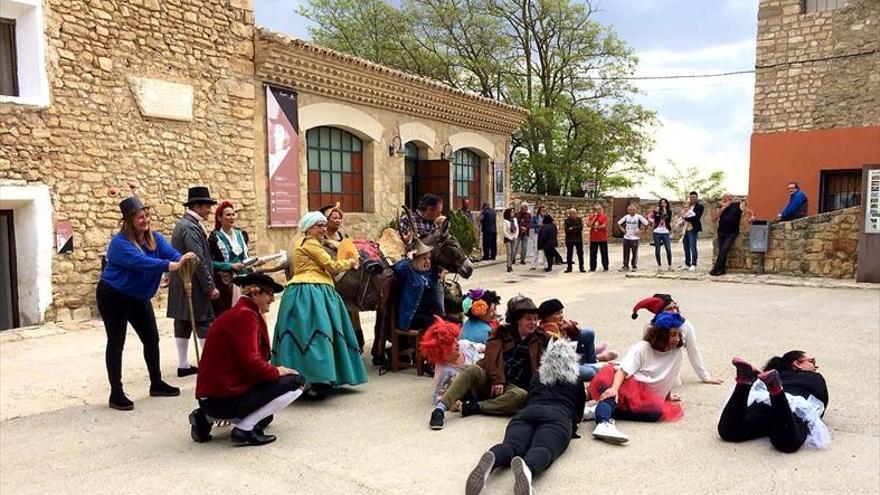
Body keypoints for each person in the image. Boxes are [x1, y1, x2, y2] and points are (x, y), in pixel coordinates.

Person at [189, 273, 306, 446]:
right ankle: (244, 429)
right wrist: (277, 371)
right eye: (270, 294)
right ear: (255, 292)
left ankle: (204, 417)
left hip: (212, 398)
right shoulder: (245, 315)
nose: (273, 300)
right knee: (297, 382)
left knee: (266, 418)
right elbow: (251, 363)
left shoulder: (238, 312)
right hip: (223, 399)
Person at [97, 196, 191, 410]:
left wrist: (183, 259)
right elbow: (142, 263)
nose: (145, 220)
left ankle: (156, 383)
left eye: (147, 215)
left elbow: (171, 253)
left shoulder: (155, 238)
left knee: (151, 339)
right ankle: (116, 393)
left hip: (138, 296)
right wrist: (170, 266)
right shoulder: (119, 244)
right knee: (116, 342)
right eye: (140, 217)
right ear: (129, 220)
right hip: (114, 296)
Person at [464, 339, 586, 495]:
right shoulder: (576, 380)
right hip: (557, 416)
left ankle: (493, 457)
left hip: (527, 413)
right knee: (543, 448)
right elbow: (578, 413)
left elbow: (529, 396)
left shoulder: (537, 376)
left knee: (511, 446)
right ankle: (528, 469)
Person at [272, 211, 366, 401]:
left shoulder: (303, 242)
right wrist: (350, 262)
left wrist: (332, 243)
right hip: (312, 292)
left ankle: (310, 378)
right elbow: (330, 265)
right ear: (309, 228)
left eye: (324, 225)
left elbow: (323, 248)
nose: (324, 229)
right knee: (317, 333)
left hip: (303, 291)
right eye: (320, 226)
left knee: (303, 333)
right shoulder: (311, 244)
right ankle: (314, 380)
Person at [429, 296, 548, 430]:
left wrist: (572, 331)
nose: (533, 322)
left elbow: (560, 347)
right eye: (528, 319)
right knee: (472, 369)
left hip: (514, 388)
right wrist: (498, 379)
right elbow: (491, 356)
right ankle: (440, 409)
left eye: (535, 319)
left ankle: (476, 406)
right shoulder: (501, 332)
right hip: (491, 379)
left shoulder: (541, 337)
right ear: (517, 320)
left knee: (521, 396)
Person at [585, 312, 688, 444]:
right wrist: (614, 389)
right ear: (661, 334)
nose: (677, 339)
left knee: (655, 414)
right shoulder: (642, 348)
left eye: (678, 334)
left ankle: (597, 411)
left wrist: (667, 396)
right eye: (673, 334)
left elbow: (670, 374)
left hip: (647, 396)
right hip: (628, 384)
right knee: (613, 395)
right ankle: (604, 423)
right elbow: (623, 370)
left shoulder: (677, 352)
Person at [718, 351, 829, 452]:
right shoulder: (815, 377)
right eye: (812, 361)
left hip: (762, 399)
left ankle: (743, 384)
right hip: (793, 407)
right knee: (787, 443)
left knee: (730, 432)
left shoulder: (772, 373)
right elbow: (821, 403)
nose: (816, 367)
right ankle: (776, 391)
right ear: (797, 363)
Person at [167, 186, 220, 378]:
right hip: (192, 282)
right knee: (204, 320)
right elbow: (197, 259)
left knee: (183, 321)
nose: (209, 210)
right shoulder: (190, 227)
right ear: (196, 206)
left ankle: (183, 365)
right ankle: (208, 365)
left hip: (182, 281)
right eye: (207, 206)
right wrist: (210, 286)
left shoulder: (186, 224)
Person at [631, 294, 723, 385]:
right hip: (650, 370)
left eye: (675, 307)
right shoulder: (650, 324)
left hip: (671, 371)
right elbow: (645, 351)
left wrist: (706, 377)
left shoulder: (686, 326)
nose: (674, 311)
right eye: (668, 309)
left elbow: (693, 352)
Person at [538, 298, 618, 381]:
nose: (561, 315)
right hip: (563, 365)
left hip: (572, 353)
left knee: (589, 332)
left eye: (561, 312)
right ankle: (598, 362)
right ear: (547, 318)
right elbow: (560, 354)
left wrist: (570, 326)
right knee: (590, 373)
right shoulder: (548, 329)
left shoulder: (560, 322)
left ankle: (593, 361)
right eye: (557, 313)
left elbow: (577, 331)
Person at [208, 200, 262, 316]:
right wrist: (229, 266)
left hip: (245, 279)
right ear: (219, 218)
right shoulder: (214, 238)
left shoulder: (240, 235)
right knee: (232, 314)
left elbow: (245, 259)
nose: (231, 217)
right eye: (228, 215)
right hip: (227, 283)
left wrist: (255, 262)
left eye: (233, 214)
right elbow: (210, 262)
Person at [421, 317, 485, 411]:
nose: (457, 343)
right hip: (475, 390)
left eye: (455, 339)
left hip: (488, 373)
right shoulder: (442, 371)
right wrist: (451, 404)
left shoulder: (464, 344)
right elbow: (438, 396)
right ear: (441, 352)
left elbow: (482, 347)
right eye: (451, 343)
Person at [393, 239, 443, 330]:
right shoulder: (409, 273)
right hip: (413, 317)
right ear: (416, 260)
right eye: (424, 259)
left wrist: (438, 276)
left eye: (429, 258)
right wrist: (409, 258)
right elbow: (398, 268)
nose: (427, 261)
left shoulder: (426, 275)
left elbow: (432, 287)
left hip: (428, 314)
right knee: (440, 326)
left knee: (454, 321)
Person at [710, 194, 753, 276]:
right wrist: (723, 207)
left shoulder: (737, 205)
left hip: (732, 232)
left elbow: (748, 211)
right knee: (721, 251)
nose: (729, 198)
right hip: (721, 232)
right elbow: (714, 219)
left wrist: (752, 216)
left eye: (730, 196)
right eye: (726, 196)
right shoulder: (721, 207)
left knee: (724, 250)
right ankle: (722, 270)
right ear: (723, 199)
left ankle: (715, 268)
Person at [617, 204, 648, 272]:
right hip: (626, 237)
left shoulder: (638, 217)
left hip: (635, 238)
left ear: (636, 210)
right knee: (625, 252)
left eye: (633, 210)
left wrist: (640, 231)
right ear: (628, 210)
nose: (631, 211)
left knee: (634, 253)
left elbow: (646, 223)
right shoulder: (626, 217)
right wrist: (622, 229)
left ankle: (634, 266)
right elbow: (619, 223)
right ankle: (625, 266)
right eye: (630, 210)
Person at [681, 191, 704, 271]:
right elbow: (682, 215)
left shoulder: (700, 206)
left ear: (697, 198)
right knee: (685, 246)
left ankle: (694, 263)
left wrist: (686, 218)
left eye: (694, 197)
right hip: (685, 228)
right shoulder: (687, 206)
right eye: (691, 197)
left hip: (693, 228)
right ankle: (687, 263)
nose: (692, 199)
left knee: (692, 246)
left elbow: (696, 217)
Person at [650, 198, 673, 271]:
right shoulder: (656, 211)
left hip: (665, 231)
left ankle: (670, 266)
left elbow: (668, 220)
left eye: (664, 203)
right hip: (657, 231)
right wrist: (656, 215)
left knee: (668, 249)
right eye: (662, 203)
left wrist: (665, 213)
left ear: (667, 204)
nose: (663, 204)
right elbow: (651, 217)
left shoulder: (669, 211)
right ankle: (659, 266)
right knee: (658, 249)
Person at [587, 204, 609, 272]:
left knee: (604, 253)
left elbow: (604, 226)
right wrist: (594, 217)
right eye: (596, 209)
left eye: (599, 209)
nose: (597, 210)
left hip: (602, 238)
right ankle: (592, 268)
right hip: (593, 238)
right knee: (593, 254)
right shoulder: (591, 217)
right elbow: (589, 225)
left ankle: (605, 267)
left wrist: (597, 227)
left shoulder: (604, 217)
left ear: (601, 209)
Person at [563, 208, 585, 273]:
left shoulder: (579, 219)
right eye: (571, 213)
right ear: (569, 214)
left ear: (576, 213)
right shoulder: (567, 220)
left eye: (574, 213)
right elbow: (566, 230)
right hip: (569, 240)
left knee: (580, 254)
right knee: (569, 254)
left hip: (578, 239)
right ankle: (569, 268)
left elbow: (580, 227)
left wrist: (572, 228)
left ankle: (581, 267)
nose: (572, 214)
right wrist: (575, 228)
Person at [529, 205, 547, 270]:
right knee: (536, 250)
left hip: (545, 234)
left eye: (545, 211)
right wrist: (538, 225)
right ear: (540, 211)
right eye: (543, 211)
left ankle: (546, 265)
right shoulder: (535, 217)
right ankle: (533, 265)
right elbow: (531, 225)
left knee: (545, 250)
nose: (544, 212)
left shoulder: (547, 217)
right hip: (537, 234)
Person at [502, 208, 519, 273]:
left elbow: (517, 228)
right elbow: (504, 231)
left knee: (513, 251)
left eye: (513, 212)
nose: (512, 213)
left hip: (514, 237)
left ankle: (511, 264)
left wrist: (515, 236)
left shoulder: (515, 219)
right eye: (511, 212)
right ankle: (508, 265)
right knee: (509, 252)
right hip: (508, 238)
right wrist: (510, 237)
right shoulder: (505, 221)